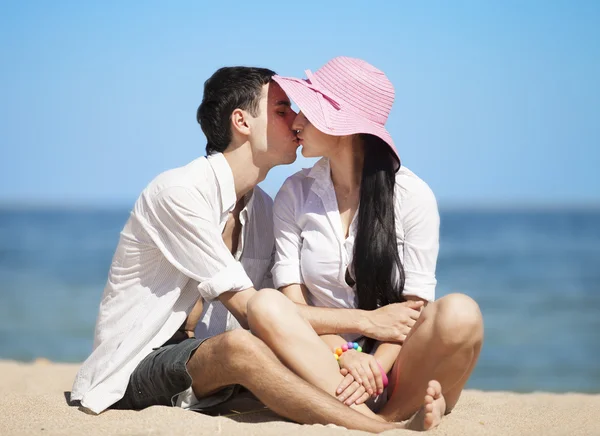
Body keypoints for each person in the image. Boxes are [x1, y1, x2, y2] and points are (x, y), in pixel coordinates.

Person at [70, 65, 436, 433]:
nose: (296, 119)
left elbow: (283, 315)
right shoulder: (180, 193)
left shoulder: (263, 207)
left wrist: (344, 353)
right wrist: (368, 321)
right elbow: (250, 307)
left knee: (261, 344)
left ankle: (377, 411)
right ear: (242, 122)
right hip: (137, 364)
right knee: (242, 347)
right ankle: (378, 428)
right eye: (281, 110)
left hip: (211, 368)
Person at [246, 57, 484, 430]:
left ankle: (388, 415)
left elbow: (413, 310)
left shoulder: (412, 195)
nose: (295, 122)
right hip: (322, 360)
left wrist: (372, 366)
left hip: (397, 364)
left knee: (461, 312)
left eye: (309, 111)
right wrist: (344, 355)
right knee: (265, 303)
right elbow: (294, 308)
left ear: (343, 127)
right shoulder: (295, 193)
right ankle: (383, 425)